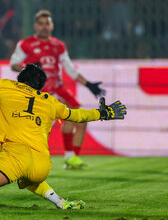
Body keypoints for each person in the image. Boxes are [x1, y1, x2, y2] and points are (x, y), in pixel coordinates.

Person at [0, 46, 127, 211]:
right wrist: (103, 113)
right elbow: (78, 115)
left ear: (20, 78)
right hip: (42, 163)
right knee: (30, 178)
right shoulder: (49, 101)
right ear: (40, 86)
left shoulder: (5, 86)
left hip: (15, 154)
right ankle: (61, 202)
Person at [10, 10, 106, 169]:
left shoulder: (58, 45)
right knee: (35, 128)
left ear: (52, 25)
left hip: (59, 88)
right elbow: (13, 64)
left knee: (80, 118)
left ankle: (71, 157)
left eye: (46, 23)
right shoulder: (25, 44)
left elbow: (69, 68)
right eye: (40, 23)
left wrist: (88, 84)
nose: (44, 27)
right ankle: (25, 159)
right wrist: (29, 68)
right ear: (35, 26)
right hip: (39, 91)